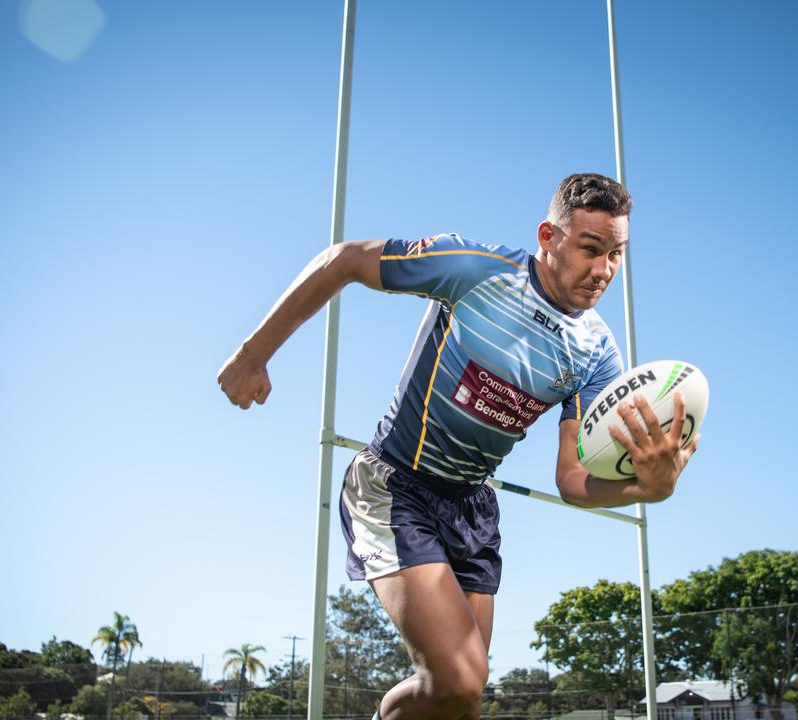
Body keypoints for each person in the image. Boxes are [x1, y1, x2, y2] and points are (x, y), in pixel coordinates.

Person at [217, 173, 700, 720]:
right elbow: (346, 259)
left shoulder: (597, 354)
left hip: (471, 508)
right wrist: (253, 354)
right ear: (548, 235)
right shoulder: (475, 270)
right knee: (459, 676)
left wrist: (649, 488)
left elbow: (571, 480)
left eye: (616, 253)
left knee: (462, 701)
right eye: (591, 249)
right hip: (393, 484)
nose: (604, 270)